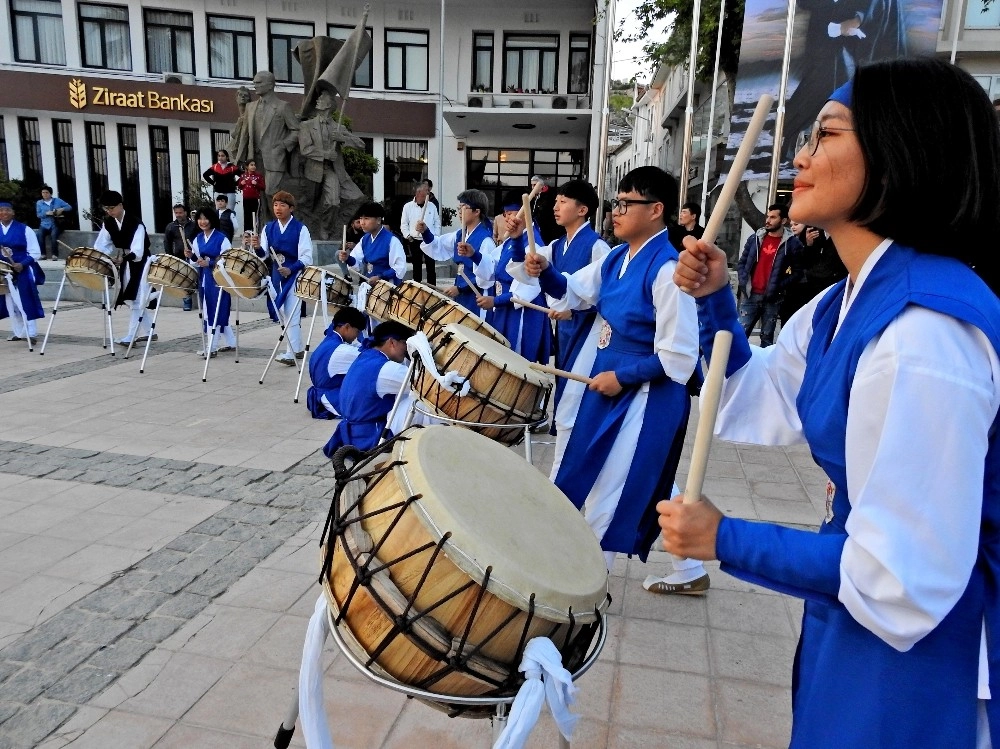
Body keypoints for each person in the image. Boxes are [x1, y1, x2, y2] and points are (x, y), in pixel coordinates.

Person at [662, 58, 1000, 747]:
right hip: (858, 605)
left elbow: (900, 578)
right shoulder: (841, 304)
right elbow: (749, 400)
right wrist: (715, 303)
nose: (801, 156)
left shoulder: (923, 335)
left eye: (826, 135)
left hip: (931, 649)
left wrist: (726, 537)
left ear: (898, 149)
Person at [511, 166, 708, 592]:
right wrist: (542, 269)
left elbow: (678, 356)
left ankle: (583, 593)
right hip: (611, 384)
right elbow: (572, 292)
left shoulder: (668, 271)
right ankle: (690, 569)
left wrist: (622, 376)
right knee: (641, 479)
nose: (615, 211)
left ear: (656, 210)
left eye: (626, 204)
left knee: (608, 490)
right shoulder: (617, 258)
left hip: (647, 396)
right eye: (615, 202)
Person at [322, 320, 415, 457]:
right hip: (369, 434)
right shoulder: (387, 368)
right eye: (404, 344)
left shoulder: (365, 355)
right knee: (420, 401)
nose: (407, 349)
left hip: (353, 429)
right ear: (392, 342)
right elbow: (424, 383)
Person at [479, 188, 552, 363]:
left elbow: (529, 288)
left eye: (510, 213)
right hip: (507, 306)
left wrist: (495, 301)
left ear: (524, 213)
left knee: (517, 360)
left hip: (522, 312)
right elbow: (492, 264)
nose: (506, 219)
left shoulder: (535, 244)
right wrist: (473, 254)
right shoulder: (510, 241)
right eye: (504, 214)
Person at [251, 191, 312, 366]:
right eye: (276, 204)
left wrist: (291, 268)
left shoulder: (301, 228)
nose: (278, 208)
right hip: (277, 274)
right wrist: (256, 248)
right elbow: (263, 256)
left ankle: (290, 352)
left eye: (282, 205)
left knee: (292, 312)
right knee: (285, 313)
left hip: (295, 274)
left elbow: (307, 257)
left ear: (291, 208)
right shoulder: (268, 228)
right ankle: (297, 347)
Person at [417, 189, 496, 313]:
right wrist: (425, 231)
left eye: (464, 208)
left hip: (477, 296)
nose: (460, 212)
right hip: (462, 293)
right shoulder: (459, 235)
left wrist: (460, 288)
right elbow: (438, 244)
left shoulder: (486, 240)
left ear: (477, 211)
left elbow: (489, 274)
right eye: (459, 208)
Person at [736, 203, 802, 347]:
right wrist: (743, 281)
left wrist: (779, 286)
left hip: (773, 297)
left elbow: (798, 273)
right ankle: (737, 367)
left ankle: (765, 369)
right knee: (740, 335)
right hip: (750, 295)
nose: (768, 220)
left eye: (773, 217)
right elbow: (742, 263)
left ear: (783, 220)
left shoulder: (792, 244)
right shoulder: (755, 239)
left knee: (767, 338)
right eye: (768, 216)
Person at [94, 190, 153, 345]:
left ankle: (131, 336)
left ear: (120, 205)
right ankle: (149, 332)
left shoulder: (135, 222)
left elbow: (138, 251)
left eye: (111, 208)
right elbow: (101, 245)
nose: (109, 211)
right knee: (135, 299)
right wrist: (105, 258)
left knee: (136, 298)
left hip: (141, 263)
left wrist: (123, 258)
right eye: (106, 209)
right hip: (125, 262)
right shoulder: (108, 223)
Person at [186, 207, 237, 357]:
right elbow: (195, 261)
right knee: (212, 311)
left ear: (212, 219)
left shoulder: (222, 238)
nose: (202, 221)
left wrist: (208, 263)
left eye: (206, 218)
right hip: (205, 280)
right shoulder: (198, 238)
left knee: (213, 312)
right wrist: (192, 256)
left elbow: (228, 261)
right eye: (200, 218)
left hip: (218, 280)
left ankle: (211, 347)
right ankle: (231, 342)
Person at [306, 306, 368, 419]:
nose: (356, 337)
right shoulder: (341, 350)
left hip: (322, 392)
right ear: (347, 327)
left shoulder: (329, 341)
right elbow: (369, 357)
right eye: (357, 332)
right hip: (331, 397)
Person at [0, 200, 44, 343]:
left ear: (13, 212)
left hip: (23, 269)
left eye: (7, 210)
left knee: (25, 299)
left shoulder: (25, 229)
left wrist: (23, 264)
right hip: (3, 271)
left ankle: (31, 333)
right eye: (1, 210)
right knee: (10, 301)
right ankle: (18, 332)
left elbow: (35, 252)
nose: (4, 212)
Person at [338, 202, 407, 286]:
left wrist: (381, 277)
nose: (362, 223)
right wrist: (347, 258)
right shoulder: (365, 239)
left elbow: (400, 267)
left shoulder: (392, 240)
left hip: (388, 287)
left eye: (366, 218)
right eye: (361, 218)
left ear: (378, 220)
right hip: (370, 284)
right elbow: (357, 263)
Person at [399, 182, 441, 285]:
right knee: (416, 266)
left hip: (429, 240)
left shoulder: (432, 206)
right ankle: (417, 288)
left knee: (431, 266)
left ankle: (432, 289)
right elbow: (404, 224)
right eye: (426, 190)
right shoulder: (408, 207)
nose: (428, 192)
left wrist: (435, 236)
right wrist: (408, 236)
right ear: (418, 192)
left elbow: (437, 222)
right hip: (414, 240)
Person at [162, 203, 198, 311]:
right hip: (179, 257)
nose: (178, 215)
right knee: (182, 280)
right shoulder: (171, 226)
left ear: (186, 212)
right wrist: (170, 257)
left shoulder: (194, 225)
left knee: (195, 278)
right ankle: (187, 301)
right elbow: (167, 242)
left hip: (193, 256)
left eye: (180, 213)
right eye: (176, 213)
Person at [203, 149, 241, 230]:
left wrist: (235, 184)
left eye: (223, 156)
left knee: (230, 211)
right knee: (219, 210)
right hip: (218, 191)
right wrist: (213, 183)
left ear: (227, 157)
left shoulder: (232, 167)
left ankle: (230, 228)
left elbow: (242, 175)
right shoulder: (215, 167)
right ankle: (218, 228)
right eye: (219, 156)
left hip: (230, 192)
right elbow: (205, 175)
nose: (220, 158)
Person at [34, 186, 72, 261]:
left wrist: (62, 209)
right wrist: (46, 213)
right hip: (44, 224)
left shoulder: (57, 200)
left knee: (54, 236)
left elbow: (69, 207)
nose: (45, 194)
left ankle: (55, 255)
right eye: (43, 192)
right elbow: (38, 215)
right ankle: (43, 254)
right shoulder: (39, 203)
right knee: (39, 236)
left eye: (46, 192)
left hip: (55, 223)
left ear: (50, 194)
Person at [529, 175, 560, 244]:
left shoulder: (550, 196)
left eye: (535, 185)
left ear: (541, 185)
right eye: (532, 185)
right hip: (535, 227)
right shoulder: (534, 196)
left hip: (547, 229)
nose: (533, 187)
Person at [236, 159, 266, 231]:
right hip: (246, 199)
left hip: (255, 199)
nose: (253, 167)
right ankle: (247, 232)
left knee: (255, 215)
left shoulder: (258, 176)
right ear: (247, 166)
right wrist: (241, 184)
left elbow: (263, 187)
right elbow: (239, 187)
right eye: (251, 165)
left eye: (254, 165)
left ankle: (255, 232)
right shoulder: (243, 176)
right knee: (247, 215)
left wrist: (256, 184)